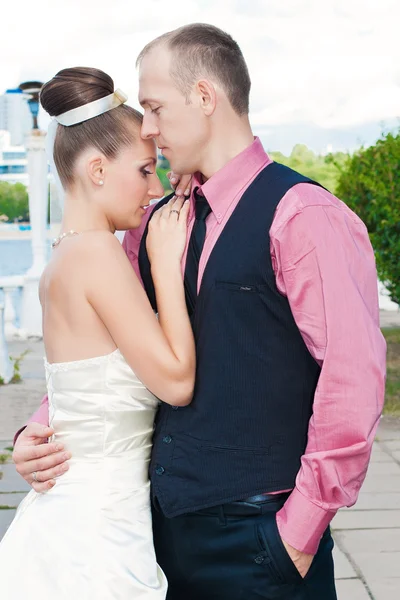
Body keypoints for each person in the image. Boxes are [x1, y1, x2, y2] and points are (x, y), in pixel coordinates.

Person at [13, 24, 386, 600]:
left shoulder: (305, 216)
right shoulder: (151, 226)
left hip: (262, 543)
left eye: (156, 107)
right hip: (153, 539)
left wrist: (297, 534)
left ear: (206, 98)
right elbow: (105, 351)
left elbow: (353, 380)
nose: (148, 128)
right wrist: (40, 428)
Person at [0, 66, 197, 599]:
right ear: (97, 170)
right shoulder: (99, 255)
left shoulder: (62, 261)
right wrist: (164, 263)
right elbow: (176, 382)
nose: (155, 188)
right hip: (101, 529)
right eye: (144, 170)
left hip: (72, 511)